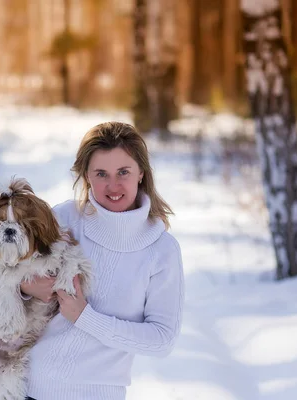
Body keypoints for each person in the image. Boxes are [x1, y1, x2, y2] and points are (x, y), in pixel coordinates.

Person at [20, 121, 185, 400]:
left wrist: (86, 318)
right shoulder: (63, 220)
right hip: (26, 388)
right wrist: (25, 288)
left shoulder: (162, 250)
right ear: (86, 176)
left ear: (141, 173)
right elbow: (3, 271)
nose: (113, 185)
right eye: (101, 174)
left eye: (123, 172)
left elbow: (162, 340)